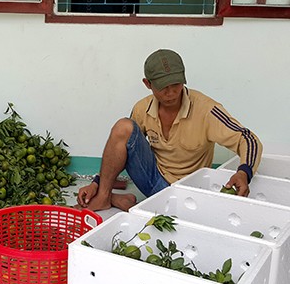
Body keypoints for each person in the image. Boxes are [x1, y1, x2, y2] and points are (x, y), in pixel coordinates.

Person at [76, 49, 262, 211]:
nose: (171, 92)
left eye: (176, 84)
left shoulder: (206, 110)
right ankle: (104, 197)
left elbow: (248, 139)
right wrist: (96, 183)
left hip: (188, 193)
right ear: (148, 84)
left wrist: (243, 172)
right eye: (163, 87)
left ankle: (121, 200)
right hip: (152, 179)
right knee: (123, 127)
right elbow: (121, 148)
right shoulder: (142, 108)